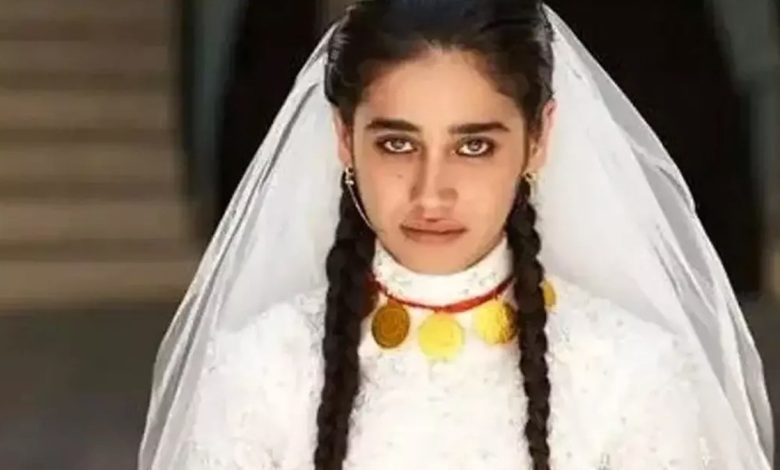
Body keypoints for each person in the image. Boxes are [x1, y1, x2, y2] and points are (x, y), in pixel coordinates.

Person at [138, 1, 774, 469]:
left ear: (538, 139)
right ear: (344, 139)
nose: (431, 191)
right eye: (397, 143)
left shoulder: (632, 370)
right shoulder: (261, 366)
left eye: (473, 146)